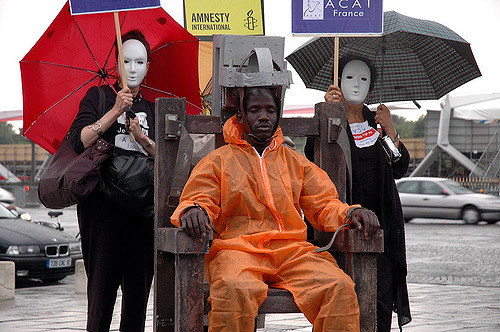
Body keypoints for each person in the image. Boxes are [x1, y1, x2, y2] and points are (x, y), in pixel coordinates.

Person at [170, 85, 380, 331]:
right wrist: (194, 209)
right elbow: (200, 195)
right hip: (238, 251)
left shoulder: (294, 161)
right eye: (255, 110)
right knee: (233, 289)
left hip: (292, 252)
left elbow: (324, 203)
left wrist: (350, 213)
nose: (263, 116)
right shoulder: (218, 160)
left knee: (338, 287)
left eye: (270, 110)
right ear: (241, 117)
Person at [305, 56, 412, 331]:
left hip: (382, 227)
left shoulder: (376, 122)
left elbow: (399, 166)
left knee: (380, 301)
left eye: (363, 79)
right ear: (338, 81)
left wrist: (390, 129)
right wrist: (328, 115)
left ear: (371, 87)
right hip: (341, 224)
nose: (356, 84)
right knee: (343, 300)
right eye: (349, 77)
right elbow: (311, 160)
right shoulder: (331, 117)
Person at [68, 30, 155, 332]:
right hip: (102, 208)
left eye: (140, 61)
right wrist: (115, 111)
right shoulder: (98, 96)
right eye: (126, 61)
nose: (133, 68)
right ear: (117, 65)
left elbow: (168, 159)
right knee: (101, 297)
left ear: (148, 66)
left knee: (137, 298)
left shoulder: (154, 109)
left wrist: (144, 140)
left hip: (142, 211)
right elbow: (79, 141)